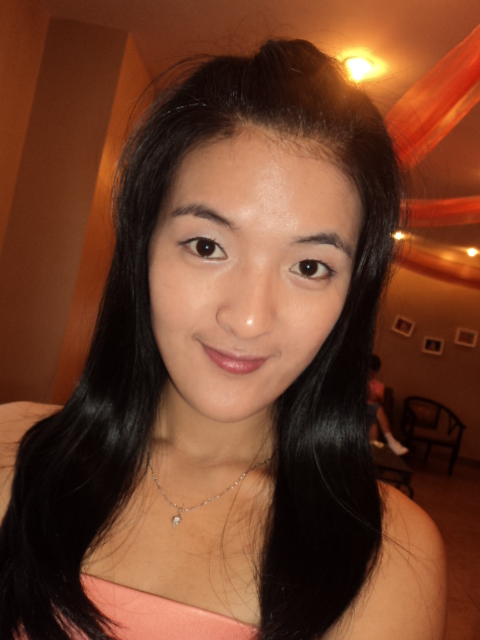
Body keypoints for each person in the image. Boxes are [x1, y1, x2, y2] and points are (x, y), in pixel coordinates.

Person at [0, 40, 446, 639]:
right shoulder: (11, 457)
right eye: (207, 246)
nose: (249, 320)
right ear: (142, 248)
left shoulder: (389, 553)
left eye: (309, 266)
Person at [367, 354, 409, 455]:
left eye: (373, 371)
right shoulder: (359, 381)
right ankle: (391, 441)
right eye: (369, 370)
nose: (371, 373)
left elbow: (378, 398)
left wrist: (370, 394)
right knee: (378, 408)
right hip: (359, 409)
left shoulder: (379, 385)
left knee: (374, 424)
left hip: (370, 413)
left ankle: (371, 452)